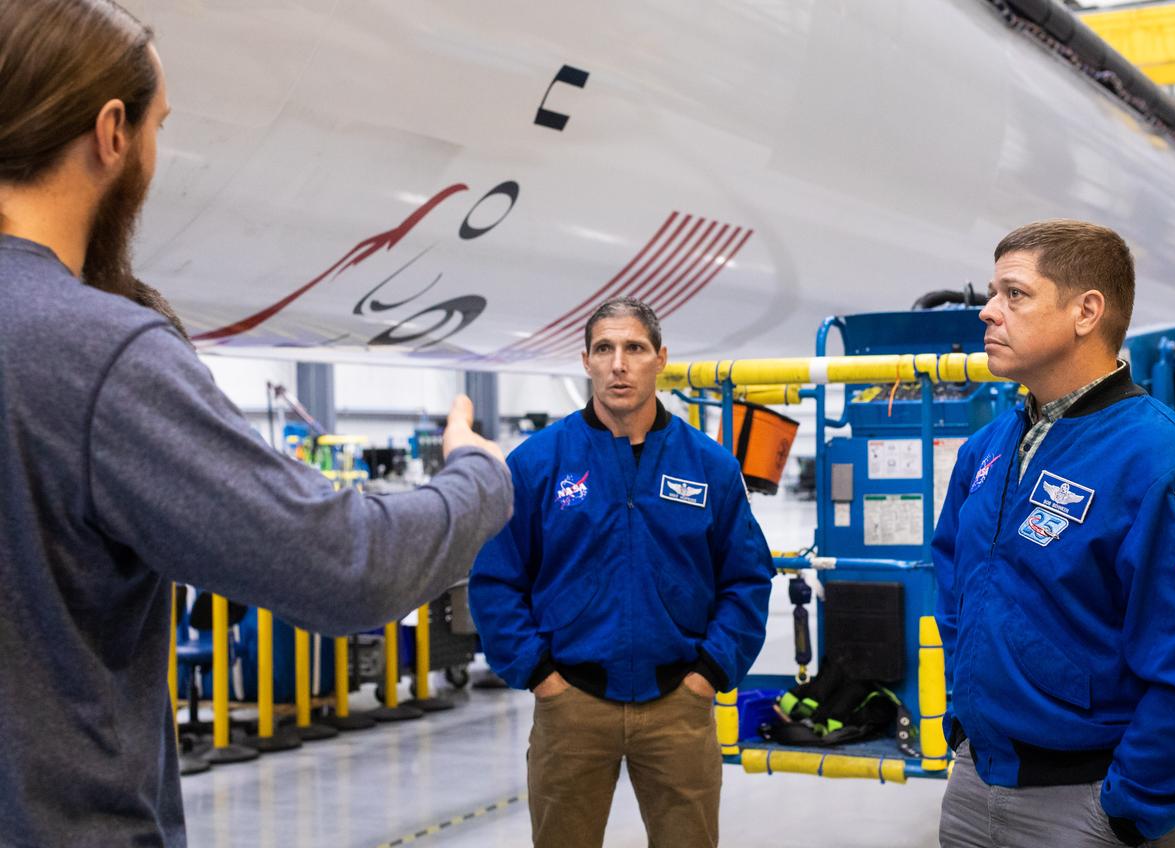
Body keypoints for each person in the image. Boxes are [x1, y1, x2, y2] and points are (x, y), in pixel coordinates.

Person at [0, 2, 513, 845]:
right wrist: (479, 477)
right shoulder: (96, 352)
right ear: (112, 133)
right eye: (160, 127)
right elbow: (346, 567)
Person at [933, 219, 1175, 847]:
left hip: (1092, 805)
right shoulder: (989, 449)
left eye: (1015, 294)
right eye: (992, 293)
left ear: (1087, 311)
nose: (988, 313)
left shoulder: (1171, 465)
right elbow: (956, 586)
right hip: (977, 785)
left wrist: (1130, 812)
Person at [469, 297, 774, 847]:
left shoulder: (709, 465)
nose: (618, 364)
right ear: (585, 360)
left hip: (678, 706)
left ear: (659, 358)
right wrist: (540, 676)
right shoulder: (538, 463)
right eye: (604, 349)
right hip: (571, 707)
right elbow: (495, 580)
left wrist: (708, 673)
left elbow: (747, 579)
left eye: (634, 348)